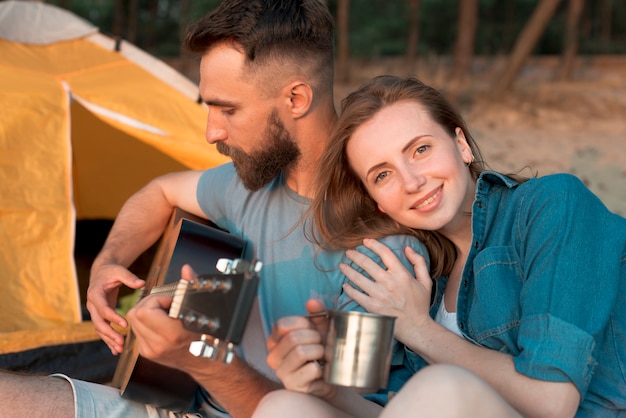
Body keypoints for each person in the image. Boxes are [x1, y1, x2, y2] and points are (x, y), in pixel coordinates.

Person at [0, 3, 433, 418]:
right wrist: (108, 262)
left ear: (297, 98)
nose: (210, 131)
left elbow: (327, 413)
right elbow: (159, 191)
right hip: (174, 401)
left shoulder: (378, 247)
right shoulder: (247, 181)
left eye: (228, 109)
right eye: (208, 105)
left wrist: (201, 361)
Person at [252, 75, 626, 418]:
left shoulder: (550, 205)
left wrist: (418, 329)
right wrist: (326, 389)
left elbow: (552, 401)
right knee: (283, 407)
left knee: (442, 386)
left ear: (461, 144)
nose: (411, 181)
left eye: (420, 149)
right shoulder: (414, 277)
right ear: (376, 201)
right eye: (383, 175)